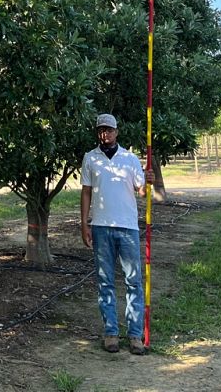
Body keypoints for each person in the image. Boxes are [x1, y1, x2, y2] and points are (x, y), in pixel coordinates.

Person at [80, 113, 155, 355]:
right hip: (101, 227)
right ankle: (111, 332)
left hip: (128, 227)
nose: (106, 134)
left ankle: (134, 335)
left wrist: (148, 181)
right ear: (98, 132)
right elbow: (86, 192)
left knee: (133, 280)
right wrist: (84, 223)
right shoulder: (91, 158)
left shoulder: (130, 158)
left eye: (109, 130)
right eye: (101, 130)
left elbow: (141, 191)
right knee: (106, 280)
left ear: (116, 132)